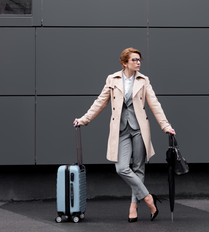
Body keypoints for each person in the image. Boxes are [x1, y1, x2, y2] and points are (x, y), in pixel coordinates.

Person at [73, 48, 175, 223]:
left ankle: (133, 206)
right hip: (121, 130)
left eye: (139, 60)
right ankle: (149, 198)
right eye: (134, 60)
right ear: (125, 63)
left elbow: (154, 104)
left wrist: (165, 126)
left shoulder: (144, 80)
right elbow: (100, 102)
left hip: (139, 129)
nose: (138, 63)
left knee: (138, 168)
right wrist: (84, 119)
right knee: (121, 168)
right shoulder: (112, 79)